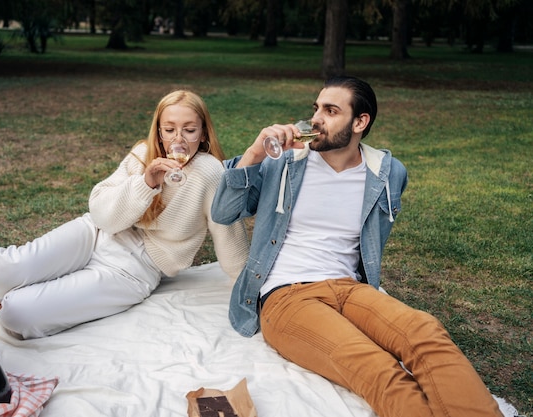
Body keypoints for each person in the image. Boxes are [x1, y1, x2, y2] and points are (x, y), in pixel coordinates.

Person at [210, 76, 502, 417]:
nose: (316, 119)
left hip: (350, 289)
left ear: (360, 122)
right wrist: (255, 152)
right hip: (287, 296)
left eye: (331, 111)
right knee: (375, 366)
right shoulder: (285, 161)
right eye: (316, 108)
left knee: (426, 332)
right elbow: (224, 212)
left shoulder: (387, 173)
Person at [0, 90, 249, 340]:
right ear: (159, 131)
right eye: (170, 129)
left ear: (202, 133)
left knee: (16, 313)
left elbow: (228, 235)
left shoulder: (211, 173)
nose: (179, 139)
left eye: (189, 130)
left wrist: (250, 289)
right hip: (95, 234)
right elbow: (102, 217)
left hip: (134, 269)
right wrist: (146, 183)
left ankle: (24, 303)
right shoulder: (143, 153)